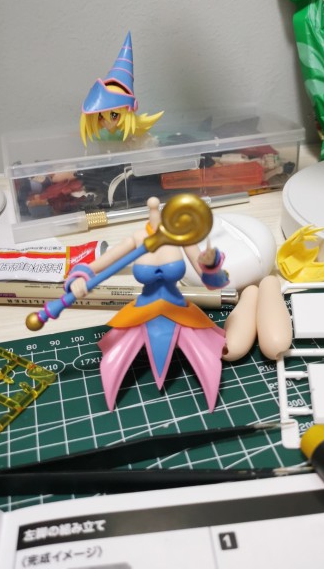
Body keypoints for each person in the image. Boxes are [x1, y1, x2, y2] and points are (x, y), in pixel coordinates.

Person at [65, 197, 229, 411]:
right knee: (114, 359)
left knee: (206, 359)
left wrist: (211, 265)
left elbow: (211, 282)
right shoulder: (137, 238)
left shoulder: (182, 238)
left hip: (178, 309)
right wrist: (78, 278)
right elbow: (97, 265)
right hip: (143, 310)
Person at [79, 32, 163, 146]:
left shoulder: (134, 135)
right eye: (100, 116)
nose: (105, 121)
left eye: (114, 115)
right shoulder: (101, 135)